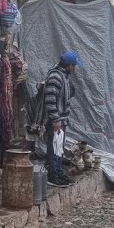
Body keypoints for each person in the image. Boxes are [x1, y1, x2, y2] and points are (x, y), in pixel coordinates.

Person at [43, 51, 80, 187]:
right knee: (54, 148)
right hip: (56, 120)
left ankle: (58, 172)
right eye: (74, 66)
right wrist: (55, 119)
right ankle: (53, 175)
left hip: (62, 119)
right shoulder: (55, 77)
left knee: (59, 148)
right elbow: (50, 99)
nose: (75, 69)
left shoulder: (64, 76)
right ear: (69, 65)